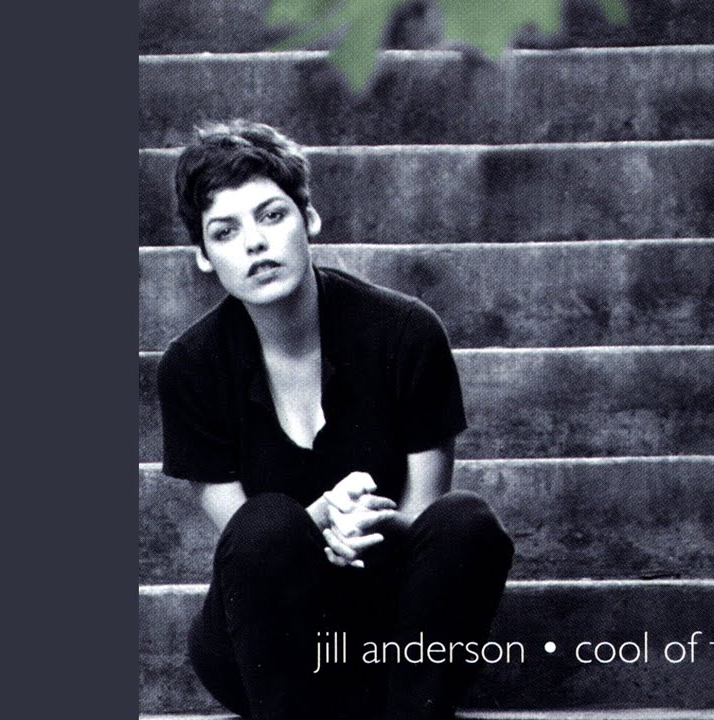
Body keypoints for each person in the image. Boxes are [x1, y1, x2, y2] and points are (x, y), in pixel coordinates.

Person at [157, 120, 514, 720]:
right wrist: (318, 518)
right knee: (266, 524)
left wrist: (370, 524)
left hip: (389, 638)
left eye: (272, 216)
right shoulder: (191, 368)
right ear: (203, 256)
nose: (254, 244)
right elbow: (243, 544)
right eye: (225, 231)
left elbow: (424, 522)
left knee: (467, 522)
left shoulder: (406, 332)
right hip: (268, 648)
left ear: (309, 218)